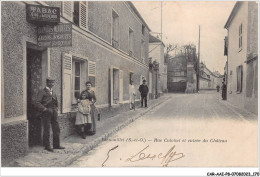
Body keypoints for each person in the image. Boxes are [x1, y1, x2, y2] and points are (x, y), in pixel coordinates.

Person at [34, 77, 65, 152]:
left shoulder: (53, 91)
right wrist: (44, 109)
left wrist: (56, 109)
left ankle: (56, 145)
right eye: (50, 82)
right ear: (47, 83)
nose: (51, 84)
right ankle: (47, 146)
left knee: (56, 128)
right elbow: (37, 102)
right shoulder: (42, 91)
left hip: (54, 112)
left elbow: (56, 102)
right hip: (46, 112)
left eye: (53, 82)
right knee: (47, 129)